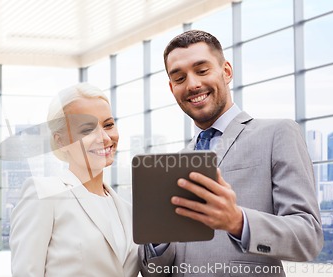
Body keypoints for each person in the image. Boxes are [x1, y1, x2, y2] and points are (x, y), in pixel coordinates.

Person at [138, 30, 323, 276]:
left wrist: (238, 221)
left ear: (226, 71)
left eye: (202, 71)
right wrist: (157, 238)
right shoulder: (173, 164)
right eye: (180, 78)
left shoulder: (277, 133)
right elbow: (154, 272)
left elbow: (308, 237)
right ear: (172, 89)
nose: (192, 84)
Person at [9, 83, 139, 277]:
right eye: (87, 130)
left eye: (108, 125)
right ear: (61, 141)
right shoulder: (44, 194)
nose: (104, 138)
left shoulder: (127, 211)